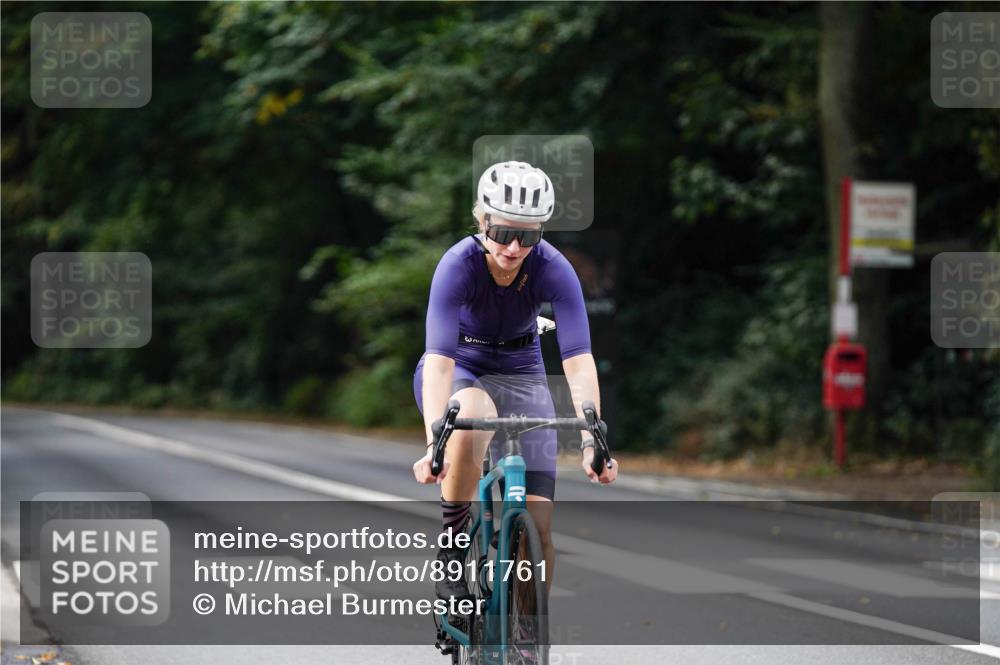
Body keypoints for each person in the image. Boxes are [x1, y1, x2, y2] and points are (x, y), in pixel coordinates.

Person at [411, 160, 618, 602]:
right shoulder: (457, 265)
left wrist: (592, 441)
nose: (514, 247)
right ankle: (452, 554)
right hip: (461, 367)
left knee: (538, 532)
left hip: (523, 373)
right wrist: (435, 445)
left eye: (529, 235)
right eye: (503, 232)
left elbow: (578, 360)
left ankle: (526, 640)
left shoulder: (553, 267)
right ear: (481, 219)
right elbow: (440, 361)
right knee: (474, 415)